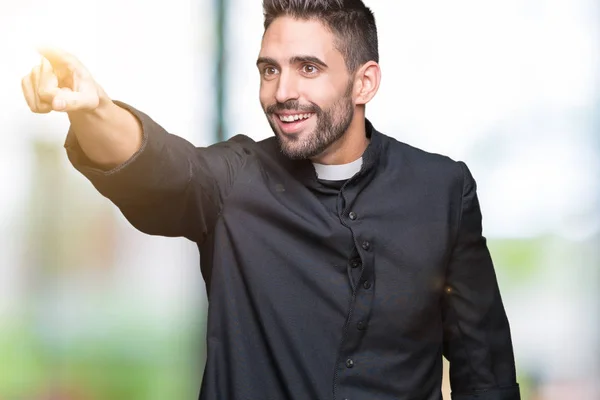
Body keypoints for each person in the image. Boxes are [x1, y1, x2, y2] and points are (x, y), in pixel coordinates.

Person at [21, 0, 521, 399]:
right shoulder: (234, 181)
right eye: (269, 69)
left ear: (364, 81)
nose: (282, 91)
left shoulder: (442, 189)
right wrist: (94, 111)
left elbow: (486, 372)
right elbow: (163, 167)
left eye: (308, 68)